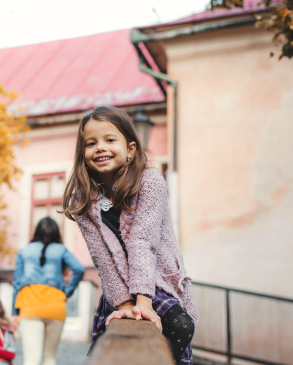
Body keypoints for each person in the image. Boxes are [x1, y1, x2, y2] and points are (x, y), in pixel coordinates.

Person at [60, 106, 200, 365]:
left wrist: (143, 302)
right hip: (118, 289)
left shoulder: (150, 183)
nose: (100, 147)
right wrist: (124, 305)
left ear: (131, 149)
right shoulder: (84, 201)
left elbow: (142, 241)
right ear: (83, 154)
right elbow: (101, 256)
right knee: (117, 347)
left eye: (110, 140)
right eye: (91, 143)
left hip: (155, 282)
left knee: (180, 325)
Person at [11, 217, 84, 365]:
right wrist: (67, 292)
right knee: (49, 358)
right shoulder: (61, 250)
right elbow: (79, 269)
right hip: (56, 307)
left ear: (37, 232)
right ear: (57, 233)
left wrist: (14, 312)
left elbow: (17, 283)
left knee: (31, 359)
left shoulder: (24, 251)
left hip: (29, 306)